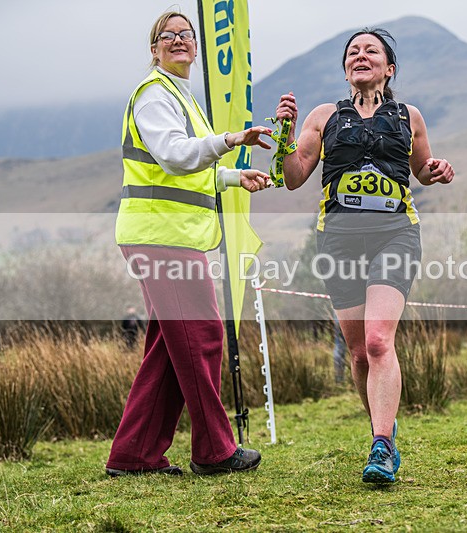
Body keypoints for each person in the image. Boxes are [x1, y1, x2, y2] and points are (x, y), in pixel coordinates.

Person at [274, 28, 454, 483]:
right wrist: (285, 137)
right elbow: (293, 177)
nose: (360, 55)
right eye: (353, 51)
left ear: (388, 68)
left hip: (395, 235)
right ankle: (383, 428)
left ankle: (381, 445)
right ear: (345, 69)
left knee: (377, 341)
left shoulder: (409, 116)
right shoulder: (324, 116)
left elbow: (421, 169)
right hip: (339, 241)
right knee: (358, 355)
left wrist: (436, 170)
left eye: (371, 50)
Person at [106, 10, 273, 477]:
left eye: (186, 34)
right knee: (201, 337)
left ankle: (133, 455)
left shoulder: (180, 96)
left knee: (170, 347)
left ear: (196, 47)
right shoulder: (155, 94)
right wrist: (231, 138)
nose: (179, 40)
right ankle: (214, 451)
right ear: (154, 48)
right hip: (162, 237)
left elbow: (188, 169)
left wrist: (233, 177)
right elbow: (176, 156)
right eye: (168, 35)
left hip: (168, 236)